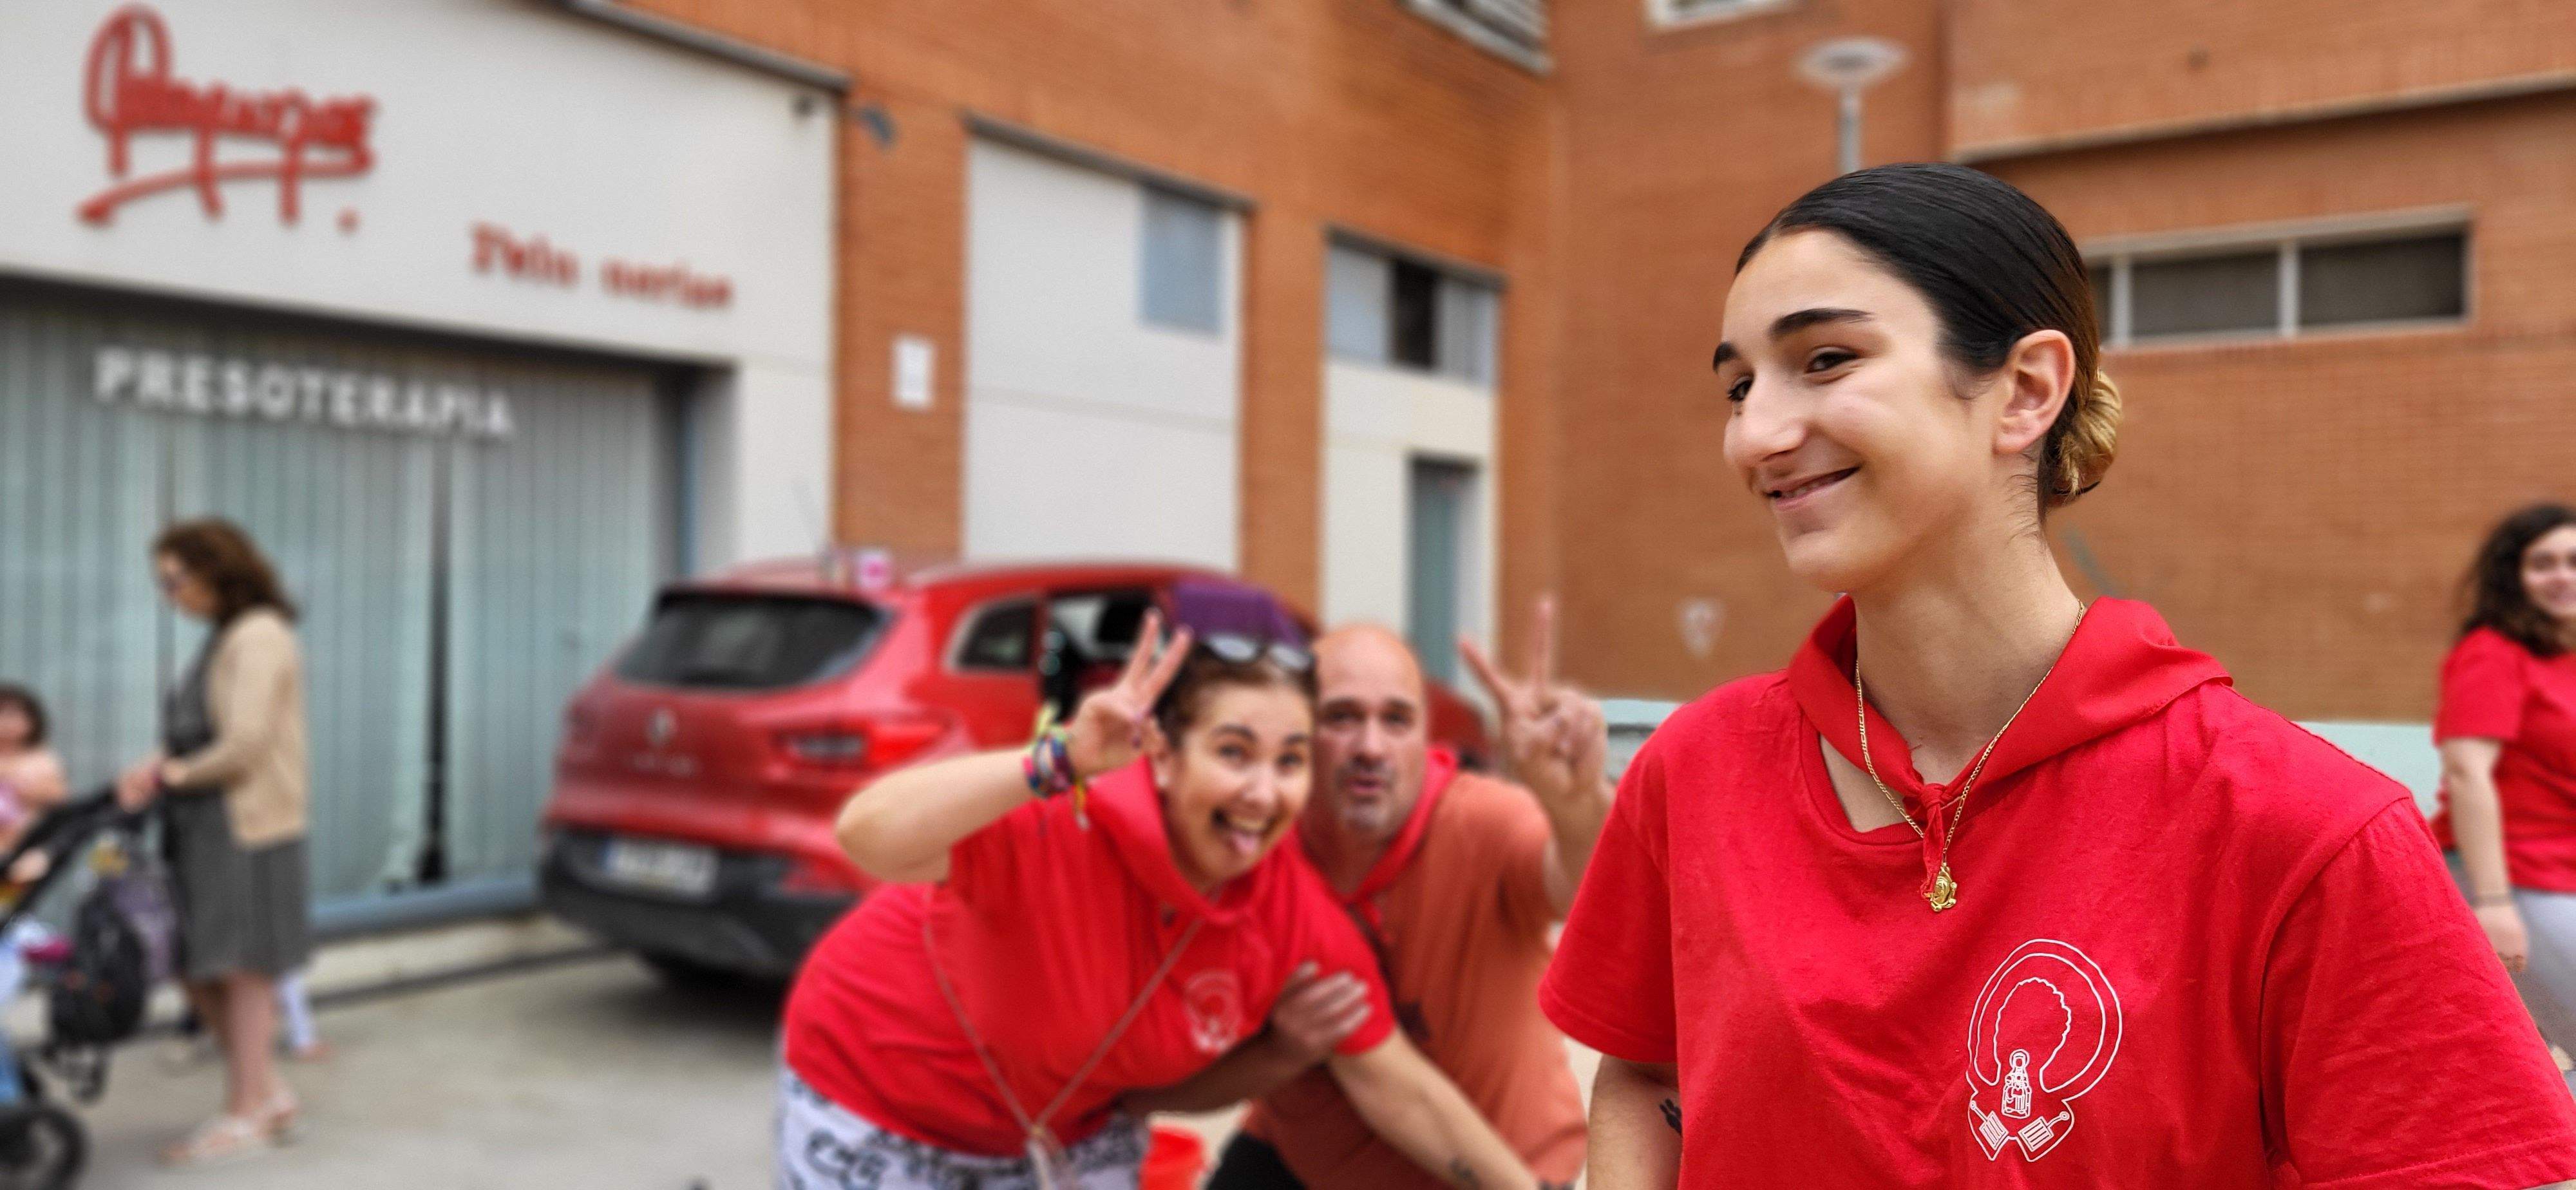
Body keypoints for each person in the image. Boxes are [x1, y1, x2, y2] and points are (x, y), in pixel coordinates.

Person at [1544, 163, 2576, 1186]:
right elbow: (1645, 1072)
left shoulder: (2301, 831)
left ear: (2027, 390)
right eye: (1739, 385)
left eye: (1825, 359)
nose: (1755, 435)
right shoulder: (1697, 769)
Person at [779, 612, 1540, 1190]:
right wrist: (1061, 757)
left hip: (1061, 1137)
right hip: (875, 1099)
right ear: (1164, 757)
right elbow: (867, 836)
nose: (1261, 792)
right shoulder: (1063, 824)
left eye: (1291, 760)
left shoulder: (1291, 910)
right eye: (1234, 752)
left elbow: (1398, 1086)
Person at [1130, 614, 1600, 1189]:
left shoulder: (1480, 821)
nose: (1371, 747)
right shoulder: (1256, 847)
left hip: (1495, 1168)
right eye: (1341, 718)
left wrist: (1573, 803)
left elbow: (1589, 891)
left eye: (1397, 720)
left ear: (1427, 736)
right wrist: (1281, 1052)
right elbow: (1145, 1082)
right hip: (1304, 1159)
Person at [117, 518, 312, 1167]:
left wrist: (173, 773)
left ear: (214, 570)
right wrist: (154, 768)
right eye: (162, 583)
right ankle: (268, 1092)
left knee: (239, 969)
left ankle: (245, 1110)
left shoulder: (258, 634)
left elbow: (245, 743)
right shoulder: (224, 637)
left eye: (175, 580)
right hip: (203, 823)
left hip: (246, 825)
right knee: (194, 961)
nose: (170, 594)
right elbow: (194, 735)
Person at [2437, 502, 2576, 1091]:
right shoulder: (2493, 653)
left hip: (2561, 871)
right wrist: (2493, 902)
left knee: (2548, 1051)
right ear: (2512, 576)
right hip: (2511, 875)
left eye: (2574, 561)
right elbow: (2469, 770)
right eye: (2542, 563)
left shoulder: (2564, 659)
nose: (2562, 575)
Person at [0, 686, 69, 870]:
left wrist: (25, 789)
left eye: (15, 715)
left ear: (32, 721)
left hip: (25, 848)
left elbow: (60, 799)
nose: (6, 723)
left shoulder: (42, 760)